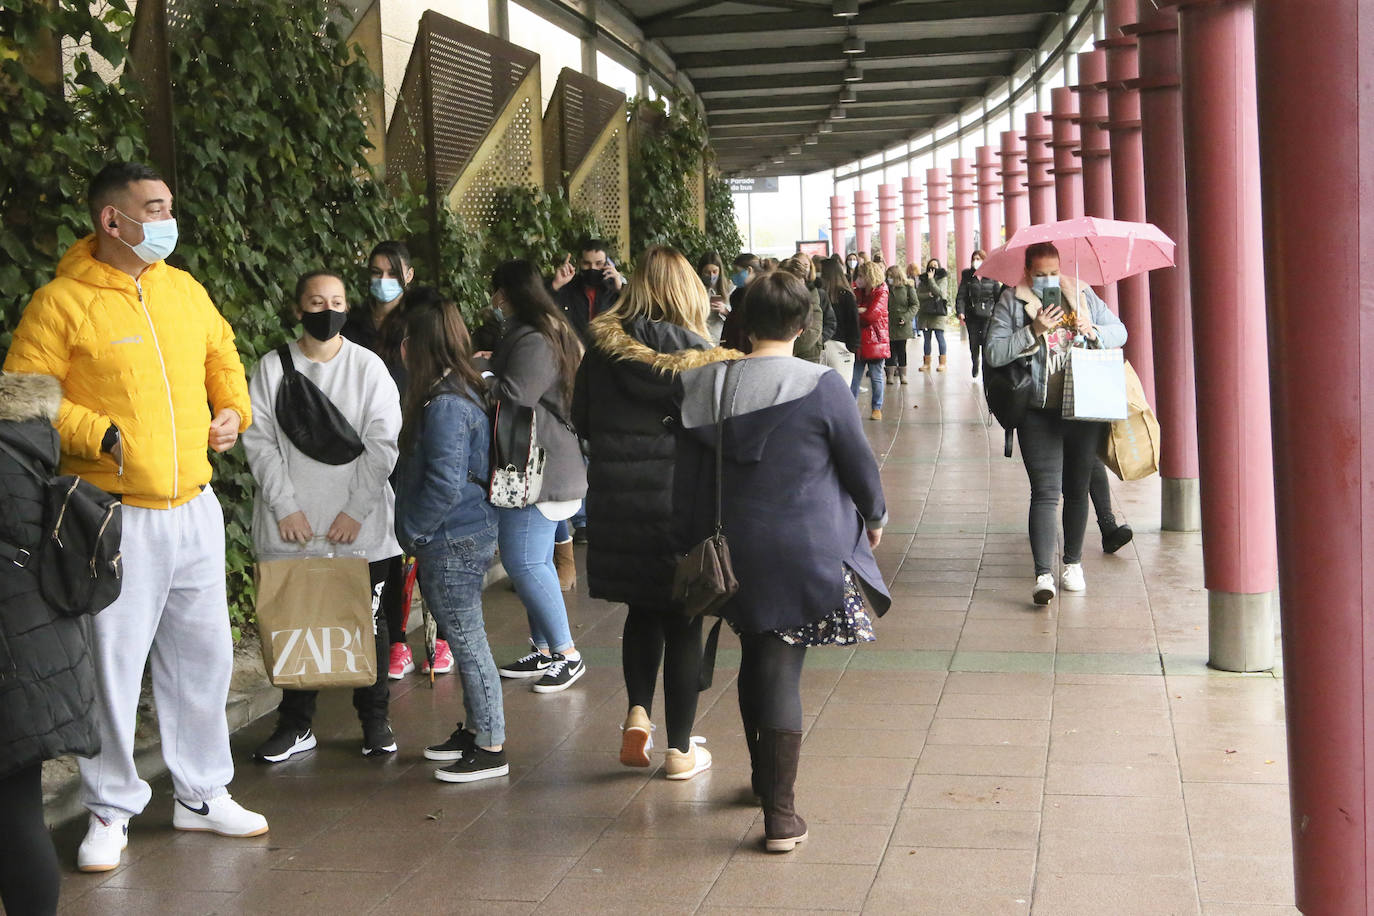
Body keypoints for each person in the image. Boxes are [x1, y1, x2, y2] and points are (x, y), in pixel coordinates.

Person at [3, 161, 268, 873]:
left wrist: (231, 410)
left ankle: (202, 792)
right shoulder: (60, 303)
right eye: (154, 208)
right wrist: (101, 434)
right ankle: (109, 808)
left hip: (196, 508)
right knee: (114, 669)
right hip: (110, 515)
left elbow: (223, 353)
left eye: (169, 205)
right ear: (112, 221)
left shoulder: (184, 290)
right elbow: (27, 397)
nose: (168, 219)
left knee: (204, 657)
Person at [674, 270, 890, 853]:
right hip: (803, 549)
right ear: (802, 324)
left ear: (740, 324)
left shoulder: (704, 387)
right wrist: (874, 518)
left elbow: (686, 480)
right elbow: (858, 465)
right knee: (780, 664)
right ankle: (781, 813)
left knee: (758, 653)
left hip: (727, 551)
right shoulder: (822, 385)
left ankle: (764, 782)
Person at [573, 246, 739, 780]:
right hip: (682, 502)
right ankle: (680, 749)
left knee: (641, 611)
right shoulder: (706, 359)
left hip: (620, 502)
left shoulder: (600, 349)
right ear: (689, 291)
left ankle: (637, 714)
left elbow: (583, 419)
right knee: (685, 618)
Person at [242, 270, 403, 764]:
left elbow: (382, 443)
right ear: (298, 308)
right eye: (316, 301)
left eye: (335, 301)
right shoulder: (272, 368)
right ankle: (295, 726)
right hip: (291, 526)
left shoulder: (368, 367)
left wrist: (355, 512)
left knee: (367, 625)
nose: (326, 310)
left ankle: (375, 721)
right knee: (297, 624)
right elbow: (260, 441)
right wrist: (285, 506)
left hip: (362, 527)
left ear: (347, 308)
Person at [394, 294, 508, 782]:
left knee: (466, 639)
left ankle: (491, 744)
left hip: (451, 536)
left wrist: (413, 529)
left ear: (417, 345)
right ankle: (478, 730)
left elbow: (444, 481)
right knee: (464, 638)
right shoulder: (461, 389)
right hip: (465, 529)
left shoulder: (443, 404)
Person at [0, 372, 100, 914]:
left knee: (13, 815)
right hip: (38, 652)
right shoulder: (27, 443)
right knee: (15, 809)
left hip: (13, 654)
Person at [984, 242, 1128, 605]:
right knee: (1045, 493)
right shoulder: (1012, 302)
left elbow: (1120, 331)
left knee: (1077, 490)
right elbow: (994, 353)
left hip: (1083, 406)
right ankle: (1043, 574)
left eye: (1053, 272)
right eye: (1040, 274)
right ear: (1028, 272)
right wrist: (1032, 330)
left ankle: (1073, 564)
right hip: (1037, 410)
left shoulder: (1081, 294)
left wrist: (1092, 329)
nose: (1048, 280)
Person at [343, 241, 451, 681]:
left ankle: (439, 638)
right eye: (374, 272)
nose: (381, 281)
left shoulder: (419, 323)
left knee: (423, 539)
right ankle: (397, 641)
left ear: (408, 275)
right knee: (384, 548)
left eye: (390, 272)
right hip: (367, 446)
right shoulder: (352, 325)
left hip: (414, 440)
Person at [489, 260, 589, 692]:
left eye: (497, 292)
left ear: (509, 294)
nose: (493, 301)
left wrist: (482, 376)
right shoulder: (549, 329)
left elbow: (517, 393)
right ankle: (546, 649)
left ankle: (567, 653)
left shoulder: (535, 338)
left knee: (524, 562)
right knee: (537, 561)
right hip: (546, 463)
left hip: (539, 469)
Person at [550, 238, 624, 340]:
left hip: (605, 352)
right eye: (587, 263)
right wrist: (555, 285)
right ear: (580, 262)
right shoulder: (568, 288)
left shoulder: (614, 290)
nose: (592, 268)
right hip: (574, 350)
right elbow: (543, 308)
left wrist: (620, 289)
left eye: (599, 264)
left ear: (608, 264)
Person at [851, 261, 891, 420]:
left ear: (869, 276)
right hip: (860, 341)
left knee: (876, 377)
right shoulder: (858, 291)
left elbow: (871, 316)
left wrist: (857, 312)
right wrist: (859, 311)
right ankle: (850, 407)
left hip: (876, 341)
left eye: (861, 275)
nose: (858, 279)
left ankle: (877, 408)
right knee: (854, 377)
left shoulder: (881, 291)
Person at [954, 249, 999, 379]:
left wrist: (997, 312)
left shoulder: (992, 275)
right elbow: (961, 296)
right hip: (972, 315)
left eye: (979, 259)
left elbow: (997, 296)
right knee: (974, 342)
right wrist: (960, 311)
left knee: (985, 340)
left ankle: (986, 366)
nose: (976, 261)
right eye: (974, 259)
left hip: (988, 315)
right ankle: (975, 362)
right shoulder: (967, 276)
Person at [780, 256, 834, 363]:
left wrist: (787, 348)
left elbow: (814, 329)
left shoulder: (813, 294)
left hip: (808, 355)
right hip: (782, 355)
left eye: (799, 279)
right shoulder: (776, 297)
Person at [820, 256, 859, 380]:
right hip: (842, 346)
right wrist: (853, 347)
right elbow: (853, 323)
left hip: (821, 344)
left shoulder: (818, 295)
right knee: (842, 388)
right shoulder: (846, 295)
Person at [883, 264, 918, 385]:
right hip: (888, 323)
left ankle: (903, 374)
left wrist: (906, 317)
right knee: (890, 350)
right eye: (888, 276)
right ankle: (890, 375)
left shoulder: (907, 287)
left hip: (903, 324)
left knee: (901, 349)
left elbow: (915, 305)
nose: (889, 278)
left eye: (891, 276)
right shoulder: (885, 287)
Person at [917, 257, 952, 372]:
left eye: (935, 266)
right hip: (925, 313)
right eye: (931, 266)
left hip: (938, 312)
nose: (933, 268)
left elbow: (939, 293)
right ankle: (926, 363)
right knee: (926, 339)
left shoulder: (943, 278)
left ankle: (943, 362)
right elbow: (918, 295)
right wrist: (928, 295)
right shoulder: (922, 279)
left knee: (939, 337)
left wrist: (931, 280)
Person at [720, 252, 761, 352]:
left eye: (737, 271)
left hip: (745, 347)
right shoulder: (739, 292)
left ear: (749, 270)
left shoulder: (759, 294)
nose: (734, 275)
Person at [697, 251, 734, 344]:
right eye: (707, 272)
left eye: (714, 271)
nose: (711, 276)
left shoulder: (729, 288)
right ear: (701, 272)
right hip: (700, 336)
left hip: (721, 337)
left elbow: (737, 318)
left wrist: (725, 311)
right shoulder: (695, 289)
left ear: (720, 271)